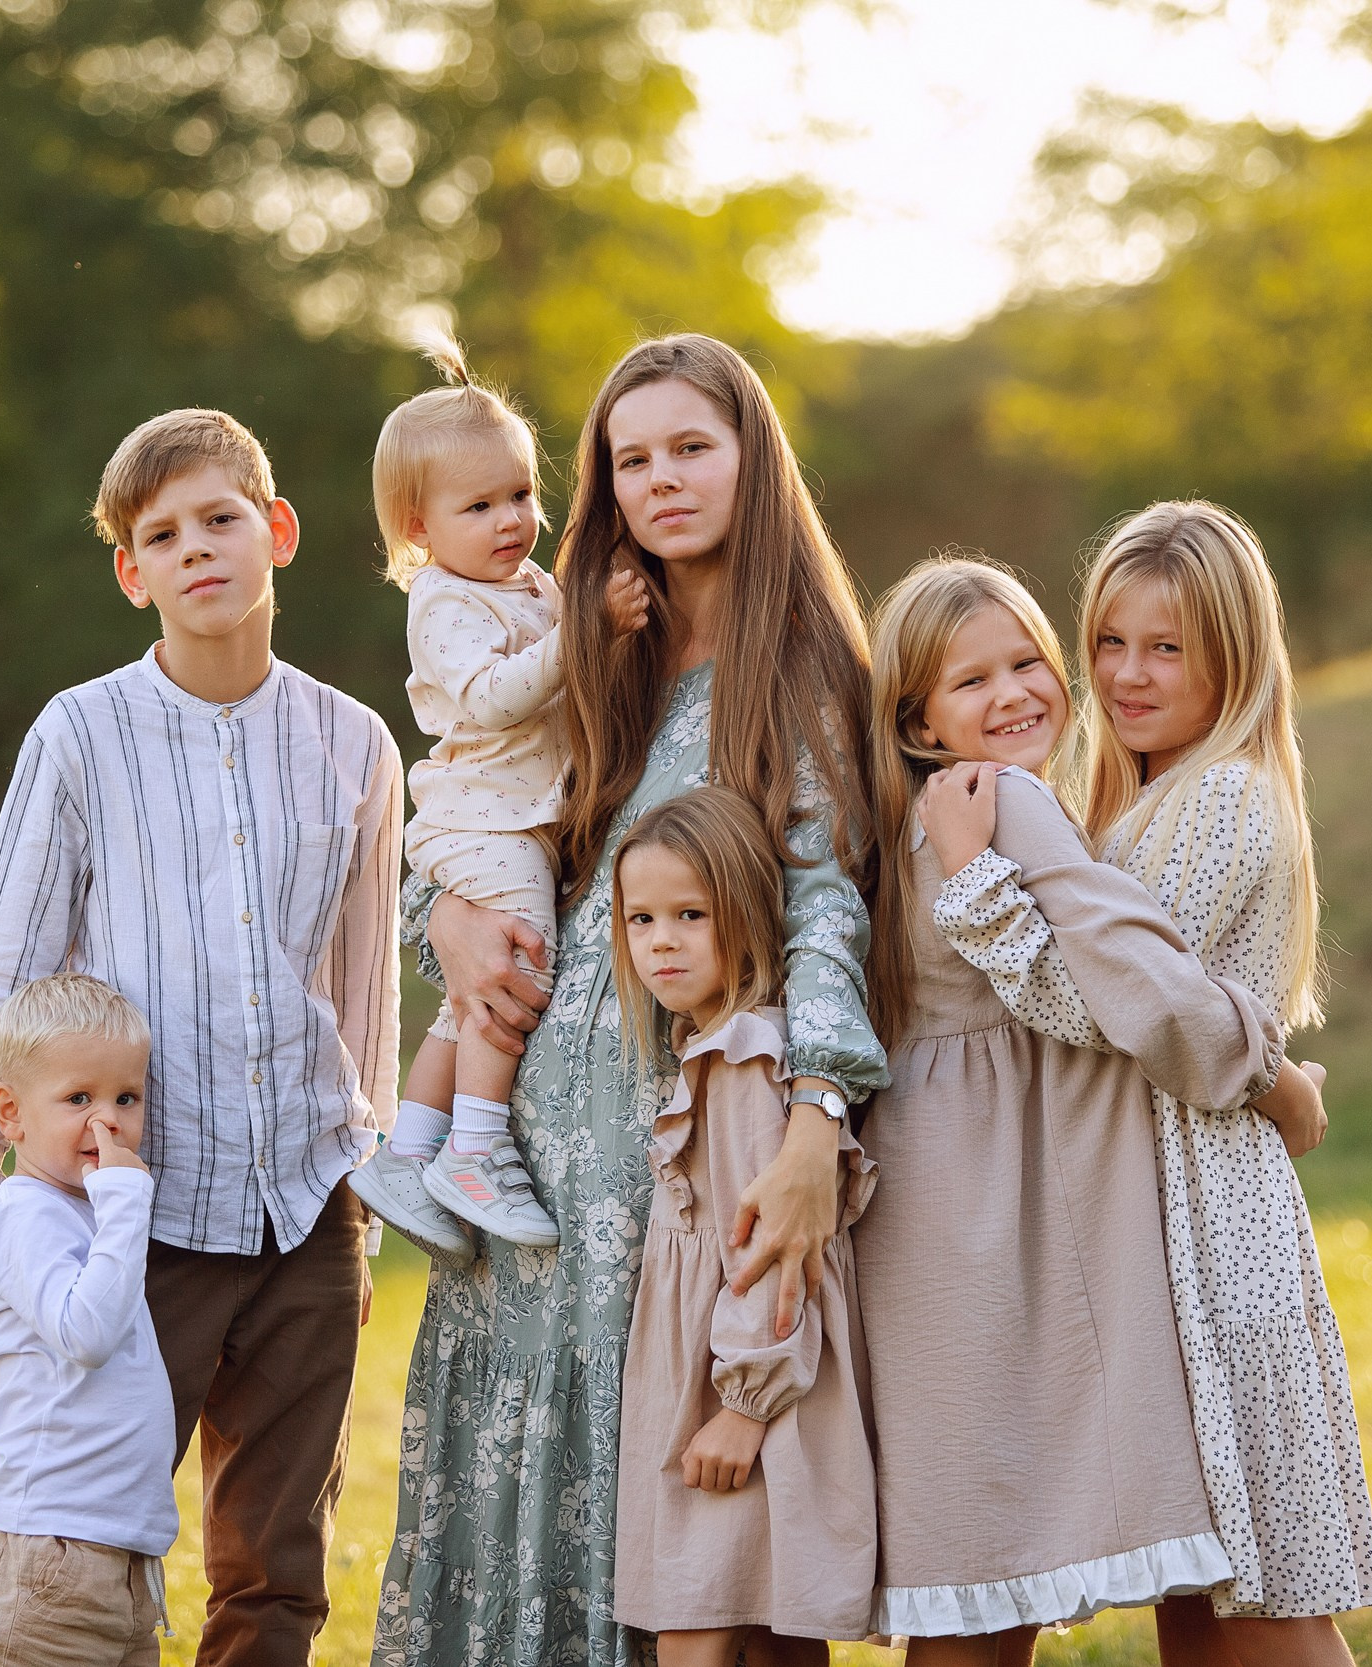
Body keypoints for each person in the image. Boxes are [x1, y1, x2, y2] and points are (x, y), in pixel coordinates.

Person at [372, 334, 885, 1667]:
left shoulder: (802, 665)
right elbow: (490, 829)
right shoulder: (582, 645)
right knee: (522, 1453)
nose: (661, 479)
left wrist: (819, 1115)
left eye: (691, 447)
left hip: (682, 1143)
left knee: (694, 1515)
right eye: (630, 456)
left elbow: (829, 901)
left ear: (752, 459)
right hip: (531, 1129)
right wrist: (450, 919)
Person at [0, 407, 403, 1667]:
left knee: (277, 1560)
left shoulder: (356, 743)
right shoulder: (81, 733)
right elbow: (2, 976)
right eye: (163, 534)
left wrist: (368, 1182)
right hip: (133, 1213)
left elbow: (363, 994)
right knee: (91, 1542)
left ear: (277, 532)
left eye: (221, 519)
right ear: (133, 572)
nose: (198, 550)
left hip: (305, 1204)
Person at [854, 557, 1328, 1666]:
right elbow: (1133, 990)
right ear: (917, 714)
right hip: (997, 1217)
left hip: (949, 1202)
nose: (1020, 690)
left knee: (981, 1577)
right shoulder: (1002, 801)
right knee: (1006, 1577)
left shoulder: (926, 808)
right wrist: (1273, 1071)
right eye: (972, 679)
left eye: (1029, 660)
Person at [1077, 503, 1372, 1666]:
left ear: (1234, 655)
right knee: (1203, 1596)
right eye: (1110, 641)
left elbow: (1113, 1000)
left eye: (1166, 647)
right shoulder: (1145, 793)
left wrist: (979, 892)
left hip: (1207, 1219)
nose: (1127, 673)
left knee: (1251, 1597)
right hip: (1173, 1210)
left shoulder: (1215, 799)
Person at [346, 338, 648, 1260]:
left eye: (519, 493)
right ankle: (478, 1147)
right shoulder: (442, 603)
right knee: (518, 965)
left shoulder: (529, 583)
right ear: (419, 527)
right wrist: (581, 632)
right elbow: (491, 696)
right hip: (480, 819)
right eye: (477, 505)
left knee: (467, 1001)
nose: (510, 518)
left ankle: (410, 1151)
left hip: (519, 819)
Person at [608, 787, 877, 1662]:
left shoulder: (750, 1058)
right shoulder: (707, 1048)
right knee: (771, 1624)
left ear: (747, 913)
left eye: (691, 913)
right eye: (641, 918)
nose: (663, 940)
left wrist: (745, 1404)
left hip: (742, 1386)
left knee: (699, 1614)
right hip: (715, 1373)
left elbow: (780, 1253)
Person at [0, 973, 173, 1665]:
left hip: (118, 1556)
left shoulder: (91, 1210)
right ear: (11, 1112)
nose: (106, 1121)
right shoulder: (24, 1215)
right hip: (46, 1552)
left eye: (125, 1097)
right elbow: (87, 1332)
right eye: (78, 1097)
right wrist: (127, 1198)